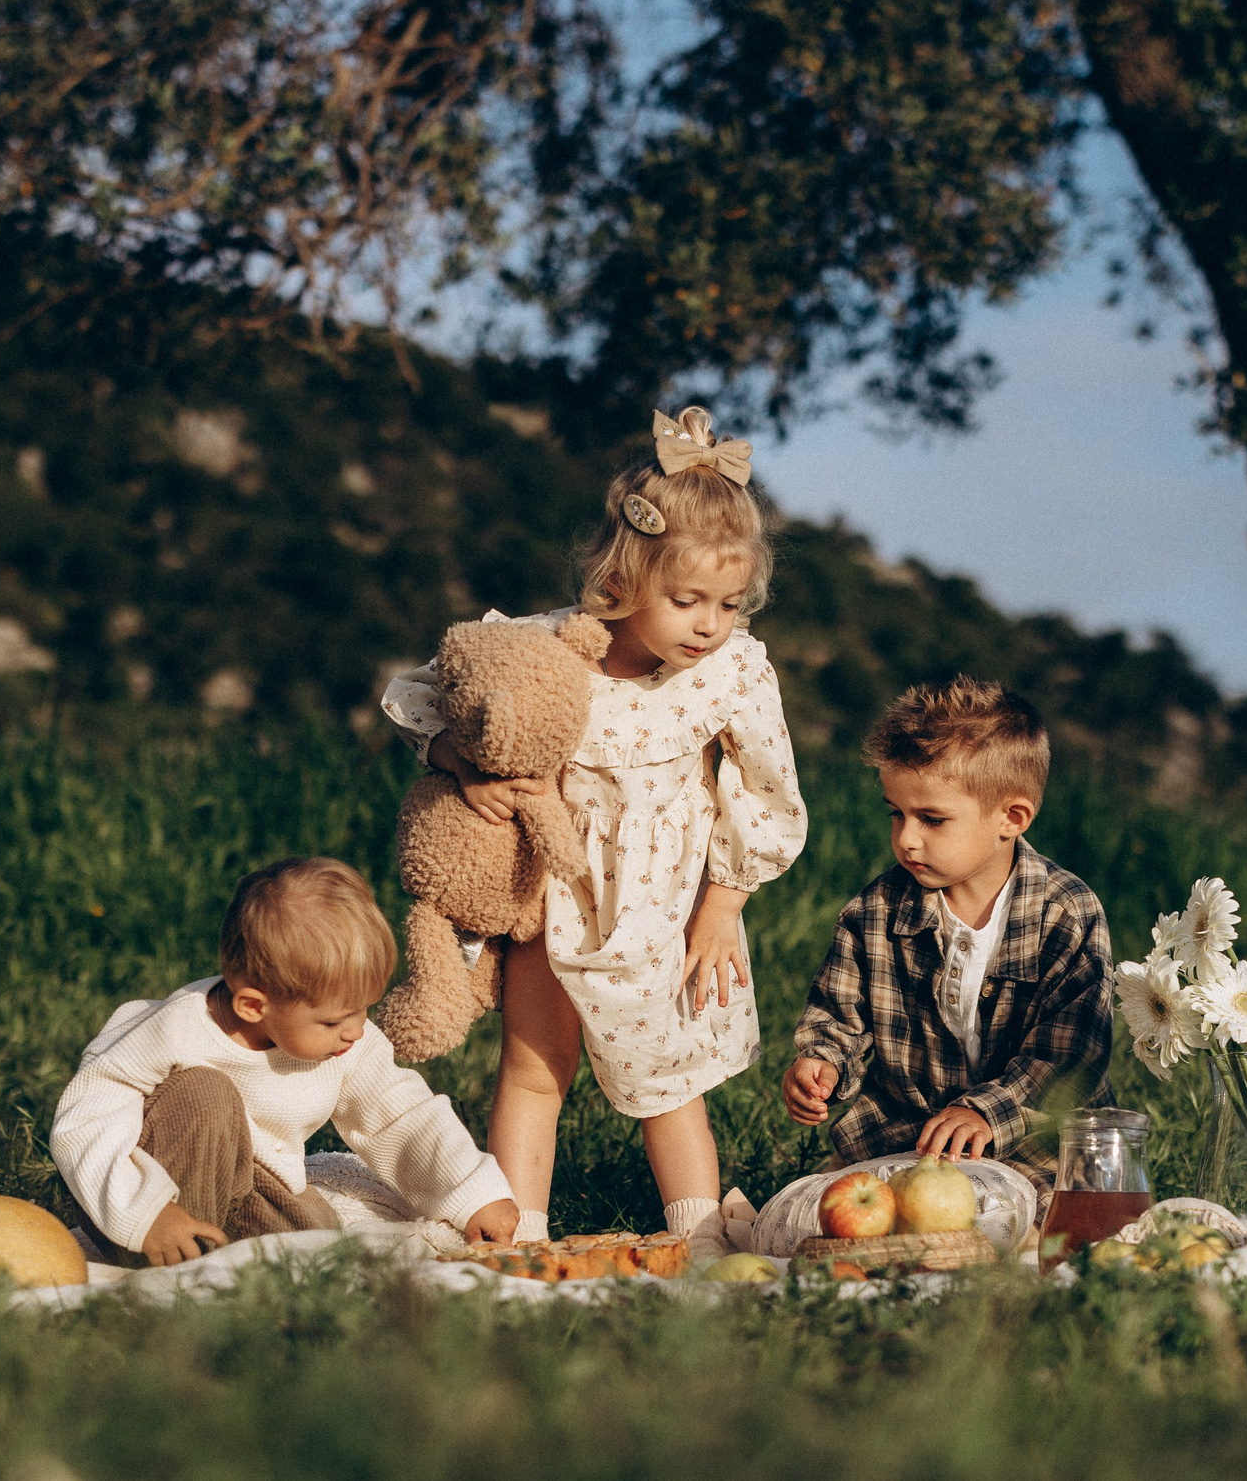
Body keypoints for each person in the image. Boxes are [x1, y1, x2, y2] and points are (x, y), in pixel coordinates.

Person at [381, 407, 807, 1247]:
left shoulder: (732, 674)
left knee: (668, 1079)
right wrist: (466, 770)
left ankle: (698, 1233)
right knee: (536, 1068)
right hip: (551, 894)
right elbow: (425, 695)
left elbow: (764, 795)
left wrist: (722, 908)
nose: (708, 623)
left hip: (663, 914)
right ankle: (519, 1233)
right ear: (623, 578)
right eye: (685, 600)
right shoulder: (548, 648)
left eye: (727, 602)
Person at [51, 857, 519, 1265]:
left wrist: (472, 1192)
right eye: (336, 1020)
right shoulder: (173, 1032)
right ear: (254, 1006)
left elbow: (401, 1114)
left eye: (364, 1010)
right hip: (153, 1209)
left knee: (325, 1251)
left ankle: (234, 1271)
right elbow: (87, 1120)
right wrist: (144, 1211)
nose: (356, 1031)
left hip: (252, 1188)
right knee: (206, 1094)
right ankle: (175, 1264)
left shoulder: (345, 1042)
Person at [782, 678, 1113, 1188]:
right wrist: (821, 1063)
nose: (906, 839)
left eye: (932, 820)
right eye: (897, 814)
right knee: (822, 1218)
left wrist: (985, 1112)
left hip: (1039, 1148)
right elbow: (838, 1010)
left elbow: (1069, 1053)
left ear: (1012, 817)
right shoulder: (875, 911)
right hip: (905, 1140)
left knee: (1038, 1235)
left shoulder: (1065, 913)